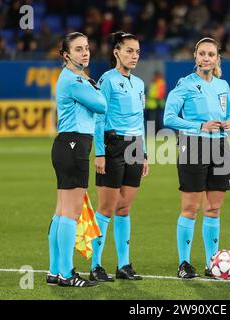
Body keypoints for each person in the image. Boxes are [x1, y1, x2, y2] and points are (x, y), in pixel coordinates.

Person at [164, 37, 230, 279]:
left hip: (221, 148)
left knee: (213, 209)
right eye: (202, 54)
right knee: (190, 209)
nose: (206, 58)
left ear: (217, 59)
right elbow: (169, 117)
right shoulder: (184, 84)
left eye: (211, 54)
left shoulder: (222, 85)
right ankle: (184, 263)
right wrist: (199, 126)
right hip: (193, 146)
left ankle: (211, 263)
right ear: (195, 57)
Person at [47, 32, 107, 287]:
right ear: (66, 55)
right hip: (75, 144)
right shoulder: (74, 80)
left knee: (62, 212)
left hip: (65, 144)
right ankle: (66, 273)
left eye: (87, 48)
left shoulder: (71, 78)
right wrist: (93, 86)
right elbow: (102, 104)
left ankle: (54, 271)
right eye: (79, 49)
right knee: (70, 213)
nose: (85, 53)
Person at [90, 31, 148, 281]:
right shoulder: (107, 80)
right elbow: (99, 118)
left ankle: (124, 265)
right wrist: (100, 153)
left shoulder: (139, 83)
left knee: (124, 208)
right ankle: (95, 265)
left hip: (135, 146)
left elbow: (140, 121)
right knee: (106, 208)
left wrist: (144, 152)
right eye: (129, 51)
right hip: (113, 145)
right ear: (116, 52)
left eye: (136, 52)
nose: (134, 56)